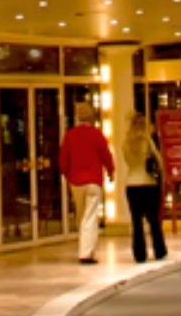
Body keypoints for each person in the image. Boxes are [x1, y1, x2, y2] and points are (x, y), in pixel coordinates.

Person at [59, 102, 114, 264]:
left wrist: (66, 174)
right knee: (90, 217)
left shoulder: (70, 135)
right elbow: (106, 156)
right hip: (94, 181)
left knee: (81, 215)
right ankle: (86, 252)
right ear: (91, 117)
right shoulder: (97, 135)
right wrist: (111, 172)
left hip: (76, 182)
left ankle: (84, 247)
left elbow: (63, 159)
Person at [122, 113, 168, 263]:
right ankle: (159, 250)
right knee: (153, 220)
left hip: (131, 184)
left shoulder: (125, 143)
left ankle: (139, 253)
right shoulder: (147, 142)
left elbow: (128, 162)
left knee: (136, 222)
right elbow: (159, 162)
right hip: (148, 183)